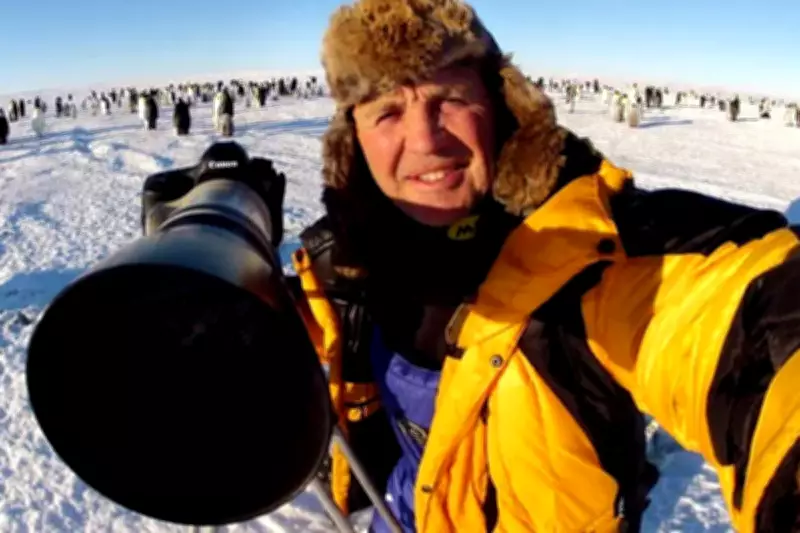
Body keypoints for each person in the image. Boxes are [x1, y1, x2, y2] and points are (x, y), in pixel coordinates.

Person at [143, 0, 800, 531]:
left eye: (449, 97)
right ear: (355, 139)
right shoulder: (340, 264)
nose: (425, 140)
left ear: (501, 106)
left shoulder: (592, 256)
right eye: (388, 111)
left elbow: (747, 321)